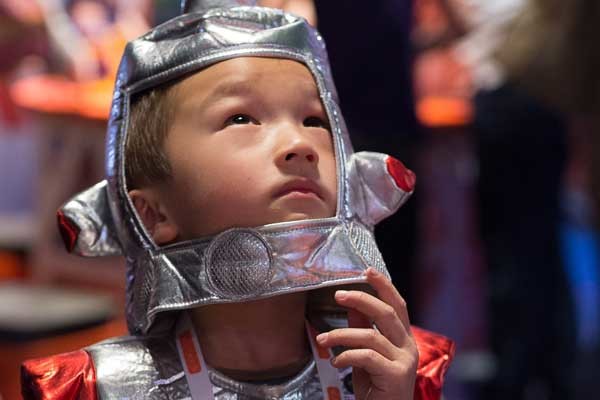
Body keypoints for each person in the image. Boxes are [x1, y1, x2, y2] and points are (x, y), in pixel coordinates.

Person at [21, 1, 454, 399]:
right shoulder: (100, 388)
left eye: (313, 119)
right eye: (241, 118)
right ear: (152, 212)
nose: (299, 142)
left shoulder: (392, 368)